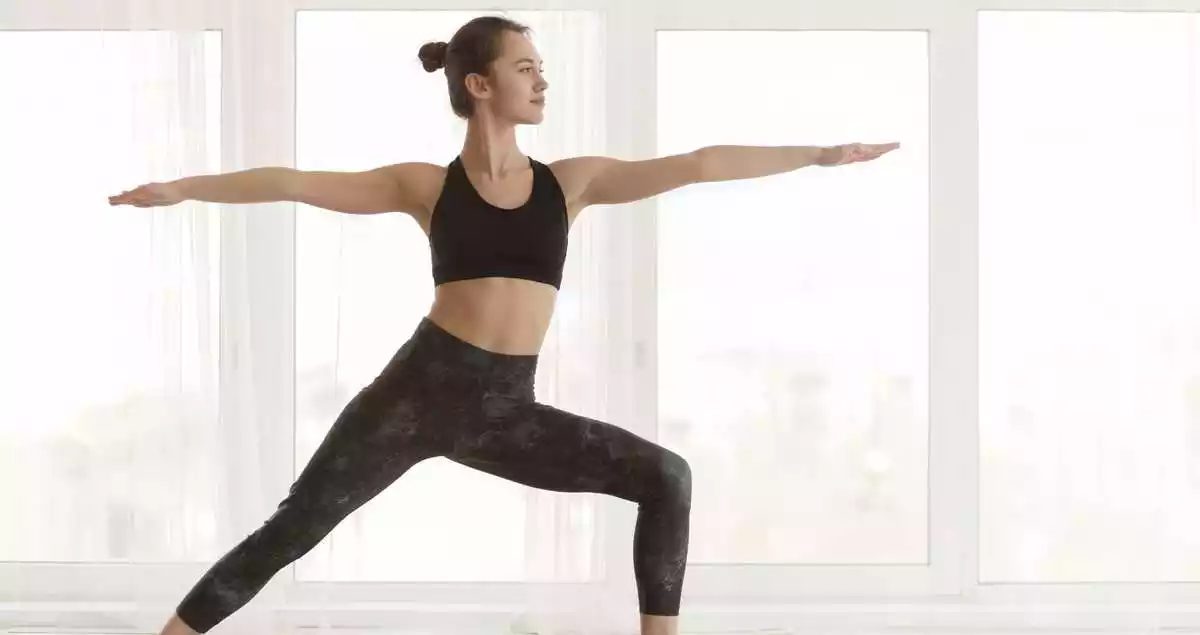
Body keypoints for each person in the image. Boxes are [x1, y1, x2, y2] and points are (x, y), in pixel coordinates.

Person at [108, 15, 898, 635]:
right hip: (416, 390)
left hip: (504, 409)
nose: (541, 79)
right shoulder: (423, 185)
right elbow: (294, 182)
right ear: (480, 85)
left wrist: (819, 153)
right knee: (293, 529)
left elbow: (696, 163)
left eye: (542, 68)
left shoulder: (572, 182)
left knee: (667, 476)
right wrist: (182, 188)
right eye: (527, 67)